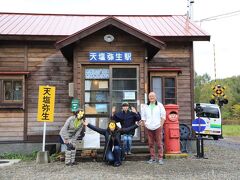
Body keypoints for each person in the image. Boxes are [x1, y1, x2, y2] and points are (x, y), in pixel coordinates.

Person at [141, 92, 166, 165]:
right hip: (149, 127)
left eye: (152, 96)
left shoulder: (160, 105)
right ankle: (152, 158)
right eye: (150, 96)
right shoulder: (145, 106)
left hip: (158, 126)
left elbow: (163, 116)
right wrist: (145, 124)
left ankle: (160, 158)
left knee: (159, 143)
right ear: (148, 98)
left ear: (155, 97)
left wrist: (161, 125)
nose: (151, 97)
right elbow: (143, 116)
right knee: (151, 143)